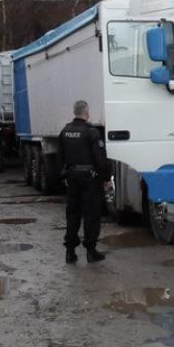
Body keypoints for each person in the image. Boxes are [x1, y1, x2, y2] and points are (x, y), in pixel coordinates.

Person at [57, 100, 111, 264]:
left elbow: (60, 158)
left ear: (75, 112)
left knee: (72, 214)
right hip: (90, 179)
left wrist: (64, 176)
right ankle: (91, 251)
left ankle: (70, 252)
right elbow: (100, 159)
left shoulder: (65, 131)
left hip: (72, 178)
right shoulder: (91, 132)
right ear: (86, 113)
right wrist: (106, 178)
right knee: (91, 215)